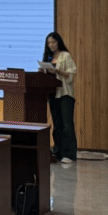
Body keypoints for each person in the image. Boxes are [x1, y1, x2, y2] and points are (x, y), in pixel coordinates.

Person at [43, 32, 77, 163]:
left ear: (58, 42)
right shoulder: (49, 57)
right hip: (53, 95)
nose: (51, 45)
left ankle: (69, 154)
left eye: (53, 42)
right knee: (57, 125)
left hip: (65, 94)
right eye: (49, 43)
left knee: (66, 124)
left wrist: (58, 71)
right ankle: (58, 151)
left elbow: (71, 74)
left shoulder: (65, 55)